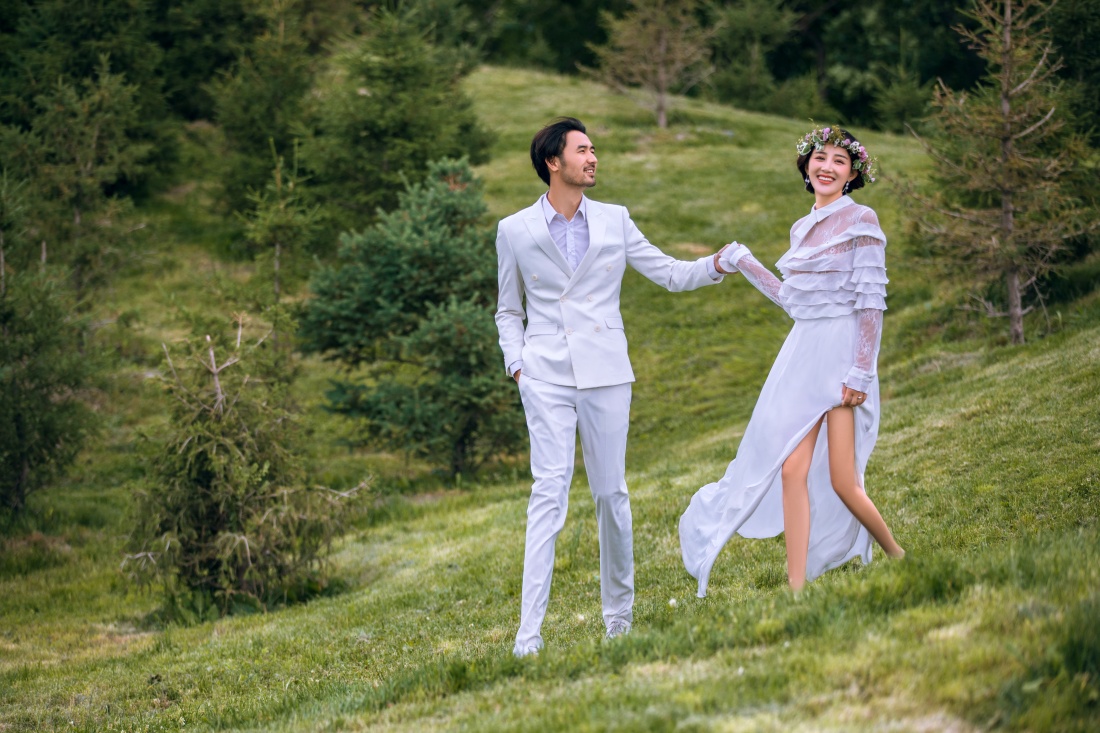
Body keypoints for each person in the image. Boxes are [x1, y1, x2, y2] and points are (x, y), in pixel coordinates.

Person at [496, 117, 730, 656]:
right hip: (545, 375)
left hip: (606, 373)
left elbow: (668, 273)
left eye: (593, 149)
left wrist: (716, 264)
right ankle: (528, 636)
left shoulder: (615, 220)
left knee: (611, 495)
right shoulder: (514, 229)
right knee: (547, 495)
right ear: (553, 162)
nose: (593, 157)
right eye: (582, 150)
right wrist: (518, 366)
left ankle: (618, 621)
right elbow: (508, 309)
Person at [679, 124, 905, 597]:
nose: (828, 167)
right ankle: (797, 588)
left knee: (844, 480)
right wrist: (744, 262)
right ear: (806, 166)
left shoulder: (862, 219)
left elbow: (870, 303)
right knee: (790, 470)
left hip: (840, 356)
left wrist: (861, 370)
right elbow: (794, 302)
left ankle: (897, 555)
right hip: (802, 354)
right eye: (820, 157)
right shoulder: (801, 229)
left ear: (852, 174)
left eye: (839, 161)